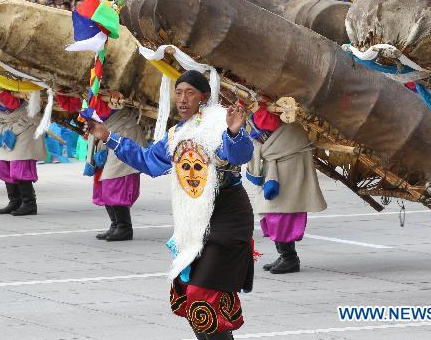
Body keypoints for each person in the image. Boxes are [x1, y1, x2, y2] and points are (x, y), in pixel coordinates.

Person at [86, 70, 254, 339]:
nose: (183, 99)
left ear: (204, 97)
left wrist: (235, 133)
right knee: (191, 296)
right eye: (179, 92)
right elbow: (148, 161)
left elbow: (238, 154)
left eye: (190, 92)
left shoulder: (219, 124)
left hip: (227, 217)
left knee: (203, 295)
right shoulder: (176, 135)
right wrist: (107, 136)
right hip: (194, 221)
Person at [247, 107, 327, 274]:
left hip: (288, 161)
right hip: (276, 161)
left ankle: (290, 258)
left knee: (282, 212)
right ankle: (285, 255)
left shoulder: (283, 110)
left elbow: (270, 121)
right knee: (273, 212)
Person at [90, 106, 145, 241]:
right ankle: (116, 225)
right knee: (103, 182)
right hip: (106, 131)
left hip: (123, 133)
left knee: (114, 181)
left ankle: (124, 227)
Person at [0, 91, 47, 216]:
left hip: (25, 127)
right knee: (5, 167)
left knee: (20, 167)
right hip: (6, 128)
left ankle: (29, 204)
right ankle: (15, 202)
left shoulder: (24, 95)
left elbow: (13, 103)